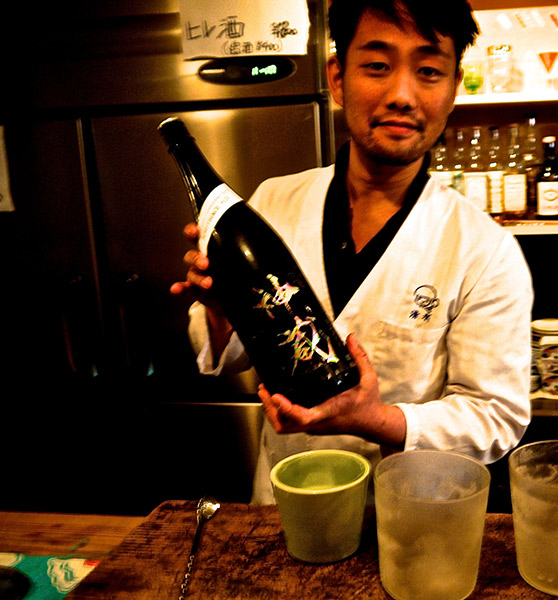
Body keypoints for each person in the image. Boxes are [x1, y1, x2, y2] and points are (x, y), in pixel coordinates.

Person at [171, 0, 534, 504]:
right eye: (378, 66)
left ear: (453, 89)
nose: (402, 95)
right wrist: (219, 314)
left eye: (428, 71)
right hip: (283, 507)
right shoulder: (274, 200)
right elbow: (232, 358)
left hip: (410, 516)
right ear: (338, 79)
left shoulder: (484, 248)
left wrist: (380, 420)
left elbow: (497, 416)